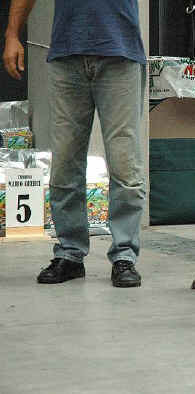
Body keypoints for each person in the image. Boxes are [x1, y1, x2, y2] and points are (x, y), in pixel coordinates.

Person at [3, 0, 146, 287]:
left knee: (124, 163)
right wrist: (12, 33)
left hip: (119, 52)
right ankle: (70, 253)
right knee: (66, 163)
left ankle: (124, 256)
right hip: (68, 54)